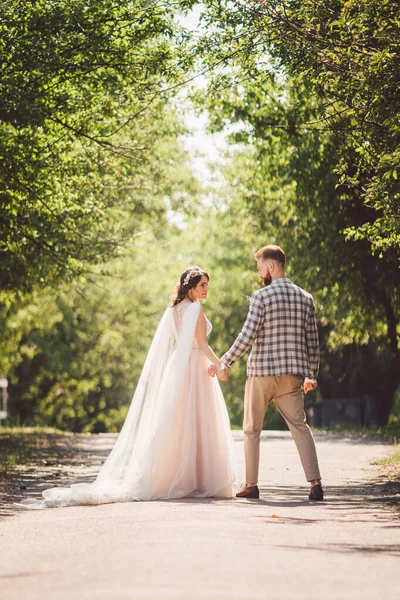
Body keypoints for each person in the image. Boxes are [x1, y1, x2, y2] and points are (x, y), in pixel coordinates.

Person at [18, 267, 235, 509]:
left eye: (207, 284)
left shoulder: (174, 309)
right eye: (202, 285)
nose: (206, 289)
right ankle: (196, 479)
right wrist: (220, 364)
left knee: (177, 420)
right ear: (190, 286)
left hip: (178, 368)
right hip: (194, 365)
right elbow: (202, 344)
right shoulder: (195, 308)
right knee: (196, 420)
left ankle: (176, 475)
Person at [209, 245, 323, 501]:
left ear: (271, 266)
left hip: (261, 372)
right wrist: (312, 374)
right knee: (299, 426)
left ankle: (251, 484)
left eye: (260, 266)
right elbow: (313, 341)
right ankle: (315, 484)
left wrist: (225, 361)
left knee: (251, 430)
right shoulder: (306, 298)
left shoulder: (261, 296)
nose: (259, 271)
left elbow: (247, 335)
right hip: (292, 376)